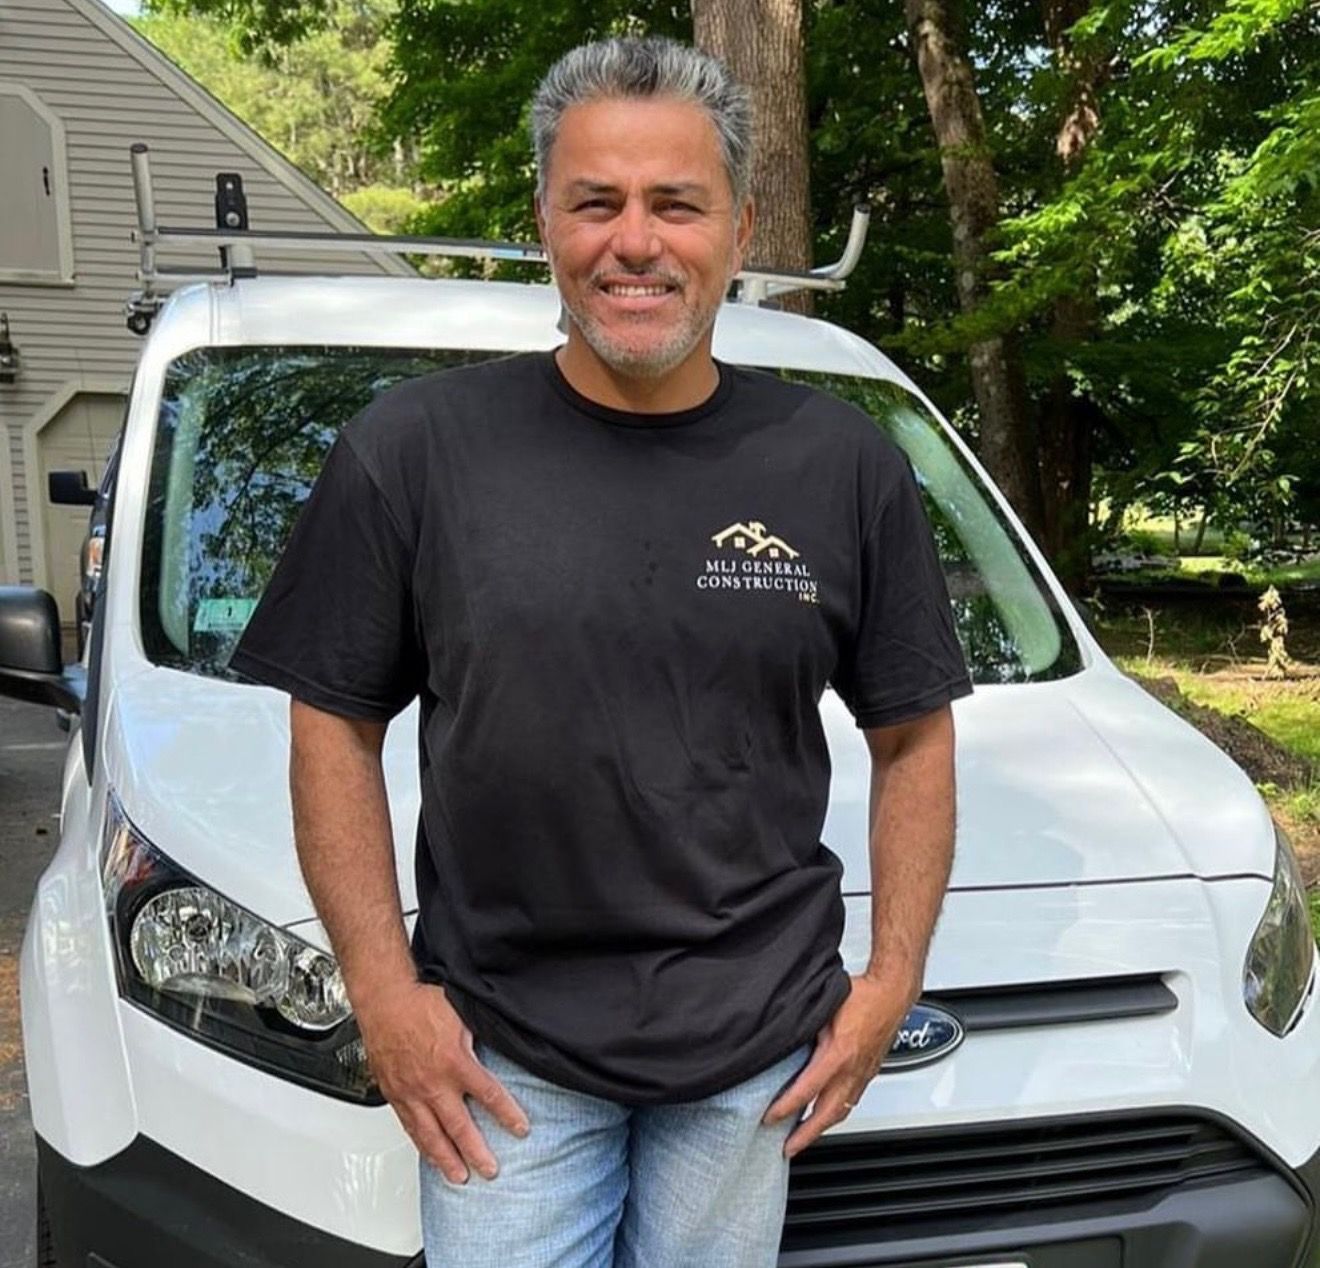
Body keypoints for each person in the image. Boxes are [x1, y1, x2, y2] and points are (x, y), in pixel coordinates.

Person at [230, 35, 973, 1268]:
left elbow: (914, 733)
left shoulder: (841, 465)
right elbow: (333, 724)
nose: (636, 241)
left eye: (675, 203)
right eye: (597, 203)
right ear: (546, 224)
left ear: (738, 226)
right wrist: (381, 992)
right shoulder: (414, 453)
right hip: (502, 1055)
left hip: (755, 1056)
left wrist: (892, 978)